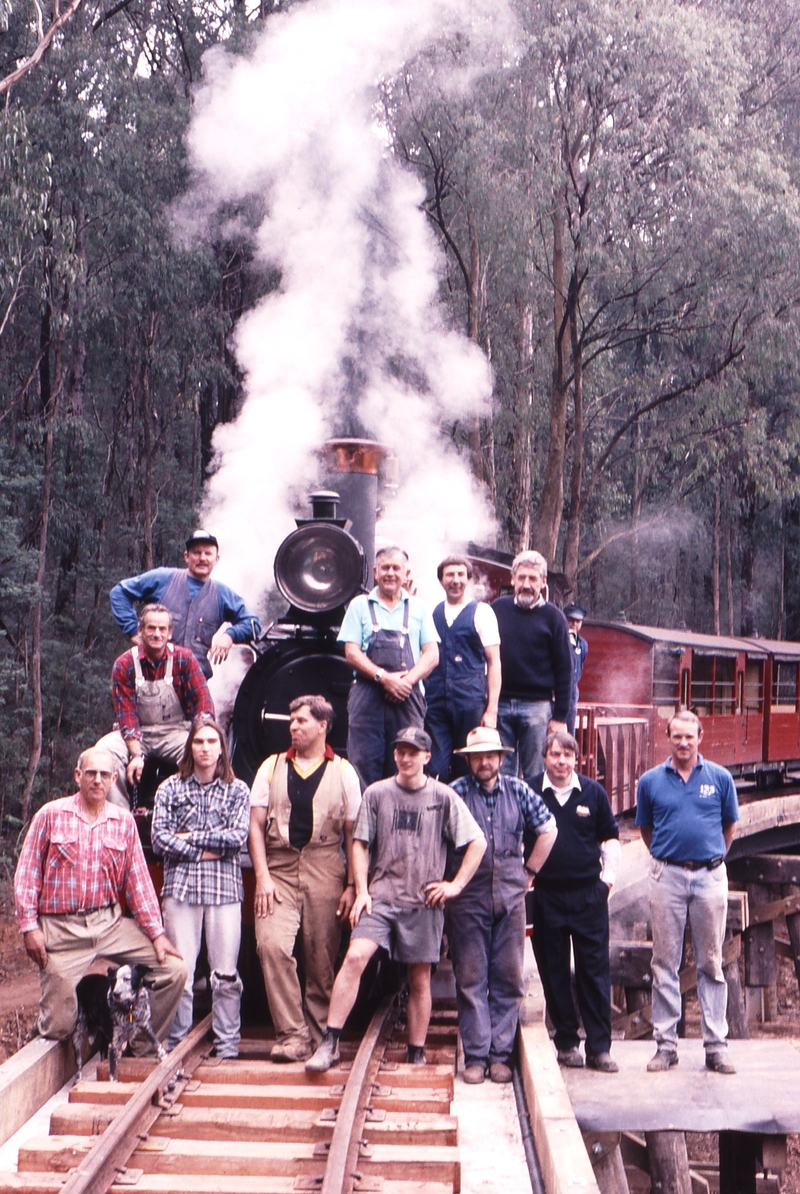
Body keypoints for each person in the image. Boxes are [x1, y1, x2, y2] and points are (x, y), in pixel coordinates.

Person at [305, 726, 486, 1073]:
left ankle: (416, 1052)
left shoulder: (443, 797)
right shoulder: (377, 794)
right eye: (400, 751)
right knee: (356, 956)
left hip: (423, 902)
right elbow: (359, 842)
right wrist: (361, 890)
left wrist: (455, 885)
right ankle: (330, 1042)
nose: (405, 758)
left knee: (419, 978)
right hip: (381, 898)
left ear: (426, 757)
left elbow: (476, 842)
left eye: (413, 752)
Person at [14, 747, 186, 1047]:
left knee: (174, 971)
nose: (97, 780)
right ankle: (54, 1030)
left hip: (109, 923)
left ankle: (140, 1048)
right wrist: (29, 927)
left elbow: (138, 883)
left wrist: (157, 934)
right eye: (90, 773)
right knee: (59, 1026)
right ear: (78, 775)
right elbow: (28, 873)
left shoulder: (123, 822)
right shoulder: (51, 815)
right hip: (62, 929)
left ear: (114, 779)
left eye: (104, 774)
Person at [248, 695, 361, 1062]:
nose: (293, 727)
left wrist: (352, 886)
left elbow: (353, 835)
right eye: (291, 720)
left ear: (322, 726)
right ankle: (293, 1035)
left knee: (321, 958)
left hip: (325, 866)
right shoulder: (271, 767)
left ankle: (322, 1038)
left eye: (301, 721)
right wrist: (262, 877)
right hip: (278, 868)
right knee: (272, 946)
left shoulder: (343, 771)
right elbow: (255, 825)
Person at [446, 727, 557, 1084]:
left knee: (509, 976)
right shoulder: (455, 793)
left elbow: (548, 829)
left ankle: (500, 1055)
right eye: (477, 756)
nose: (483, 761)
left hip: (511, 897)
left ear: (501, 758)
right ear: (468, 760)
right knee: (471, 976)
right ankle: (476, 1056)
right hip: (468, 899)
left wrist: (530, 872)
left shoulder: (519, 790)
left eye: (490, 755)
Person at [635, 711, 739, 1074]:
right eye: (676, 736)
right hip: (668, 877)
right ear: (667, 737)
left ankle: (716, 1046)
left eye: (689, 737)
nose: (683, 743)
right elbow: (646, 830)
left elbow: (729, 826)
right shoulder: (649, 782)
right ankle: (666, 1046)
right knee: (665, 962)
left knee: (711, 962)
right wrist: (670, 858)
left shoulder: (720, 778)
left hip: (709, 876)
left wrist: (710, 859)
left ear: (700, 737)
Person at [151, 718, 250, 1059]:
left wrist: (188, 839)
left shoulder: (238, 790)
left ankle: (227, 1045)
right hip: (181, 890)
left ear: (222, 747)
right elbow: (159, 840)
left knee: (225, 973)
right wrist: (210, 849)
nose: (205, 748)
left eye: (212, 741)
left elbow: (237, 838)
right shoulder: (170, 789)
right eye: (199, 742)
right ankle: (177, 1044)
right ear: (190, 748)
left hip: (224, 892)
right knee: (183, 972)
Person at [529, 731, 621, 1072]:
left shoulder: (593, 793)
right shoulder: (530, 791)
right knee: (553, 971)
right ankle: (567, 1042)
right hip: (547, 896)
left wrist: (606, 883)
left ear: (575, 759)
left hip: (588, 896)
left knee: (594, 972)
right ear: (545, 757)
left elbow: (610, 838)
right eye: (555, 754)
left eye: (567, 755)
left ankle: (600, 1048)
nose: (561, 761)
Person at [338, 545, 439, 788]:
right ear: (375, 571)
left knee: (408, 761)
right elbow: (351, 653)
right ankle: (366, 822)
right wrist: (384, 677)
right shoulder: (359, 605)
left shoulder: (420, 608)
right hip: (367, 699)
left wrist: (406, 682)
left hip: (408, 697)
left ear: (406, 574)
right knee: (363, 764)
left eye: (396, 568)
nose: (390, 573)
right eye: (385, 568)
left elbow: (432, 654)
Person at [96, 603, 215, 808]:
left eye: (162, 629)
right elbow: (126, 715)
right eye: (150, 628)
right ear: (141, 631)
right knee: (102, 754)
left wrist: (202, 732)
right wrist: (136, 755)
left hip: (175, 732)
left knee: (203, 752)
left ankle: (191, 815)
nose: (156, 634)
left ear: (170, 633)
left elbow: (203, 701)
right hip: (134, 734)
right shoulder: (124, 664)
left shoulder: (184, 659)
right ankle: (121, 819)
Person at [110, 530, 261, 679]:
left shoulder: (222, 595)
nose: (202, 558)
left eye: (208, 553)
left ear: (217, 559)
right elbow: (119, 593)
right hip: (151, 680)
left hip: (195, 685)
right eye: (196, 552)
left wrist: (229, 636)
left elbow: (252, 623)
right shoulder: (163, 579)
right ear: (186, 556)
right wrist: (133, 631)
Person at [492, 550, 573, 782]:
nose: (526, 584)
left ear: (543, 582)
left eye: (533, 578)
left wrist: (560, 717)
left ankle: (533, 819)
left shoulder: (555, 618)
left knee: (535, 774)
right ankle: (506, 819)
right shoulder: (497, 610)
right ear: (512, 579)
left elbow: (565, 671)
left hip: (537, 709)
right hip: (501, 707)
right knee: (501, 774)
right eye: (521, 578)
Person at [425, 556, 502, 782]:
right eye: (450, 575)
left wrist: (491, 710)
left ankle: (466, 816)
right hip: (436, 702)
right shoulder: (432, 613)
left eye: (460, 575)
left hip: (470, 701)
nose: (455, 580)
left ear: (468, 579)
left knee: (467, 764)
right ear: (441, 580)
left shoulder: (482, 612)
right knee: (434, 765)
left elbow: (494, 662)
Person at [563, 603, 588, 738]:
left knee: (569, 732)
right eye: (571, 620)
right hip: (557, 694)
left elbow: (580, 664)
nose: (574, 624)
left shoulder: (582, 644)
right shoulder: (559, 639)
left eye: (578, 621)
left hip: (573, 695)